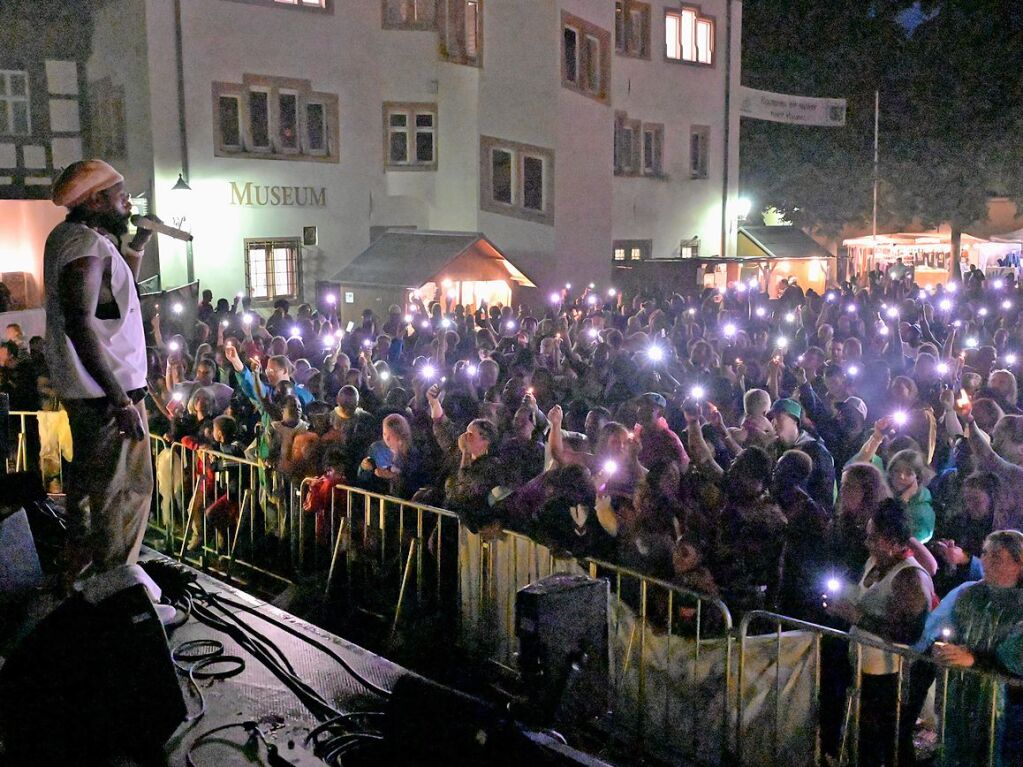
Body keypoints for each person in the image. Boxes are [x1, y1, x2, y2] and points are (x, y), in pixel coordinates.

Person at [44, 159, 155, 587]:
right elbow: (80, 322)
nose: (127, 202)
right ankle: (118, 587)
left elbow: (115, 299)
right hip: (108, 394)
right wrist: (121, 400)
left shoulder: (79, 239)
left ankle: (94, 582)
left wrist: (139, 241)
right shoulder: (83, 246)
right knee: (124, 493)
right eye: (119, 194)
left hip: (97, 390)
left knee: (98, 488)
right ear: (94, 199)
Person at [827, 499, 935, 767]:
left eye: (873, 538)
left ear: (892, 540)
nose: (868, 543)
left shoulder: (910, 578)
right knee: (867, 738)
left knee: (890, 741)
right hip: (867, 667)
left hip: (895, 675)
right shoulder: (876, 562)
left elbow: (910, 632)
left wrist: (856, 617)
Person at [917, 530, 1023, 766]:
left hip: (1009, 709)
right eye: (985, 554)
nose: (986, 562)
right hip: (962, 697)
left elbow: (1017, 658)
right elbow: (936, 630)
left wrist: (976, 659)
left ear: (1019, 564)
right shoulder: (967, 593)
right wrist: (940, 648)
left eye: (997, 558)